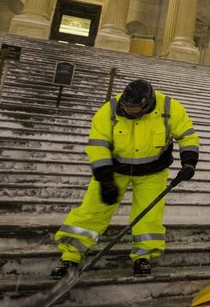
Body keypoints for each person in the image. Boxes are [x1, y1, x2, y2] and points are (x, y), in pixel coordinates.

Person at [49, 79, 199, 279]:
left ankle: (143, 257)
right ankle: (70, 256)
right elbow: (98, 144)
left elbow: (187, 136)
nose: (128, 111)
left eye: (134, 108)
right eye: (126, 107)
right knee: (92, 211)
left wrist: (189, 162)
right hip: (115, 169)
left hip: (152, 171)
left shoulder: (169, 107)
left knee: (148, 216)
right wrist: (105, 178)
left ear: (147, 104)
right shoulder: (109, 110)